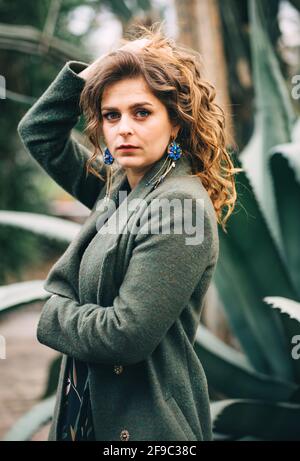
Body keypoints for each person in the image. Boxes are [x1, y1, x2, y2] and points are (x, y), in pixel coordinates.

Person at [17, 23, 241, 441]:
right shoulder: (120, 183)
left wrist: (52, 313)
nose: (123, 128)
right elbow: (40, 133)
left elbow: (125, 337)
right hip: (87, 414)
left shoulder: (179, 207)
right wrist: (100, 69)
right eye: (110, 115)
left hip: (145, 430)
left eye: (142, 112)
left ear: (175, 123)